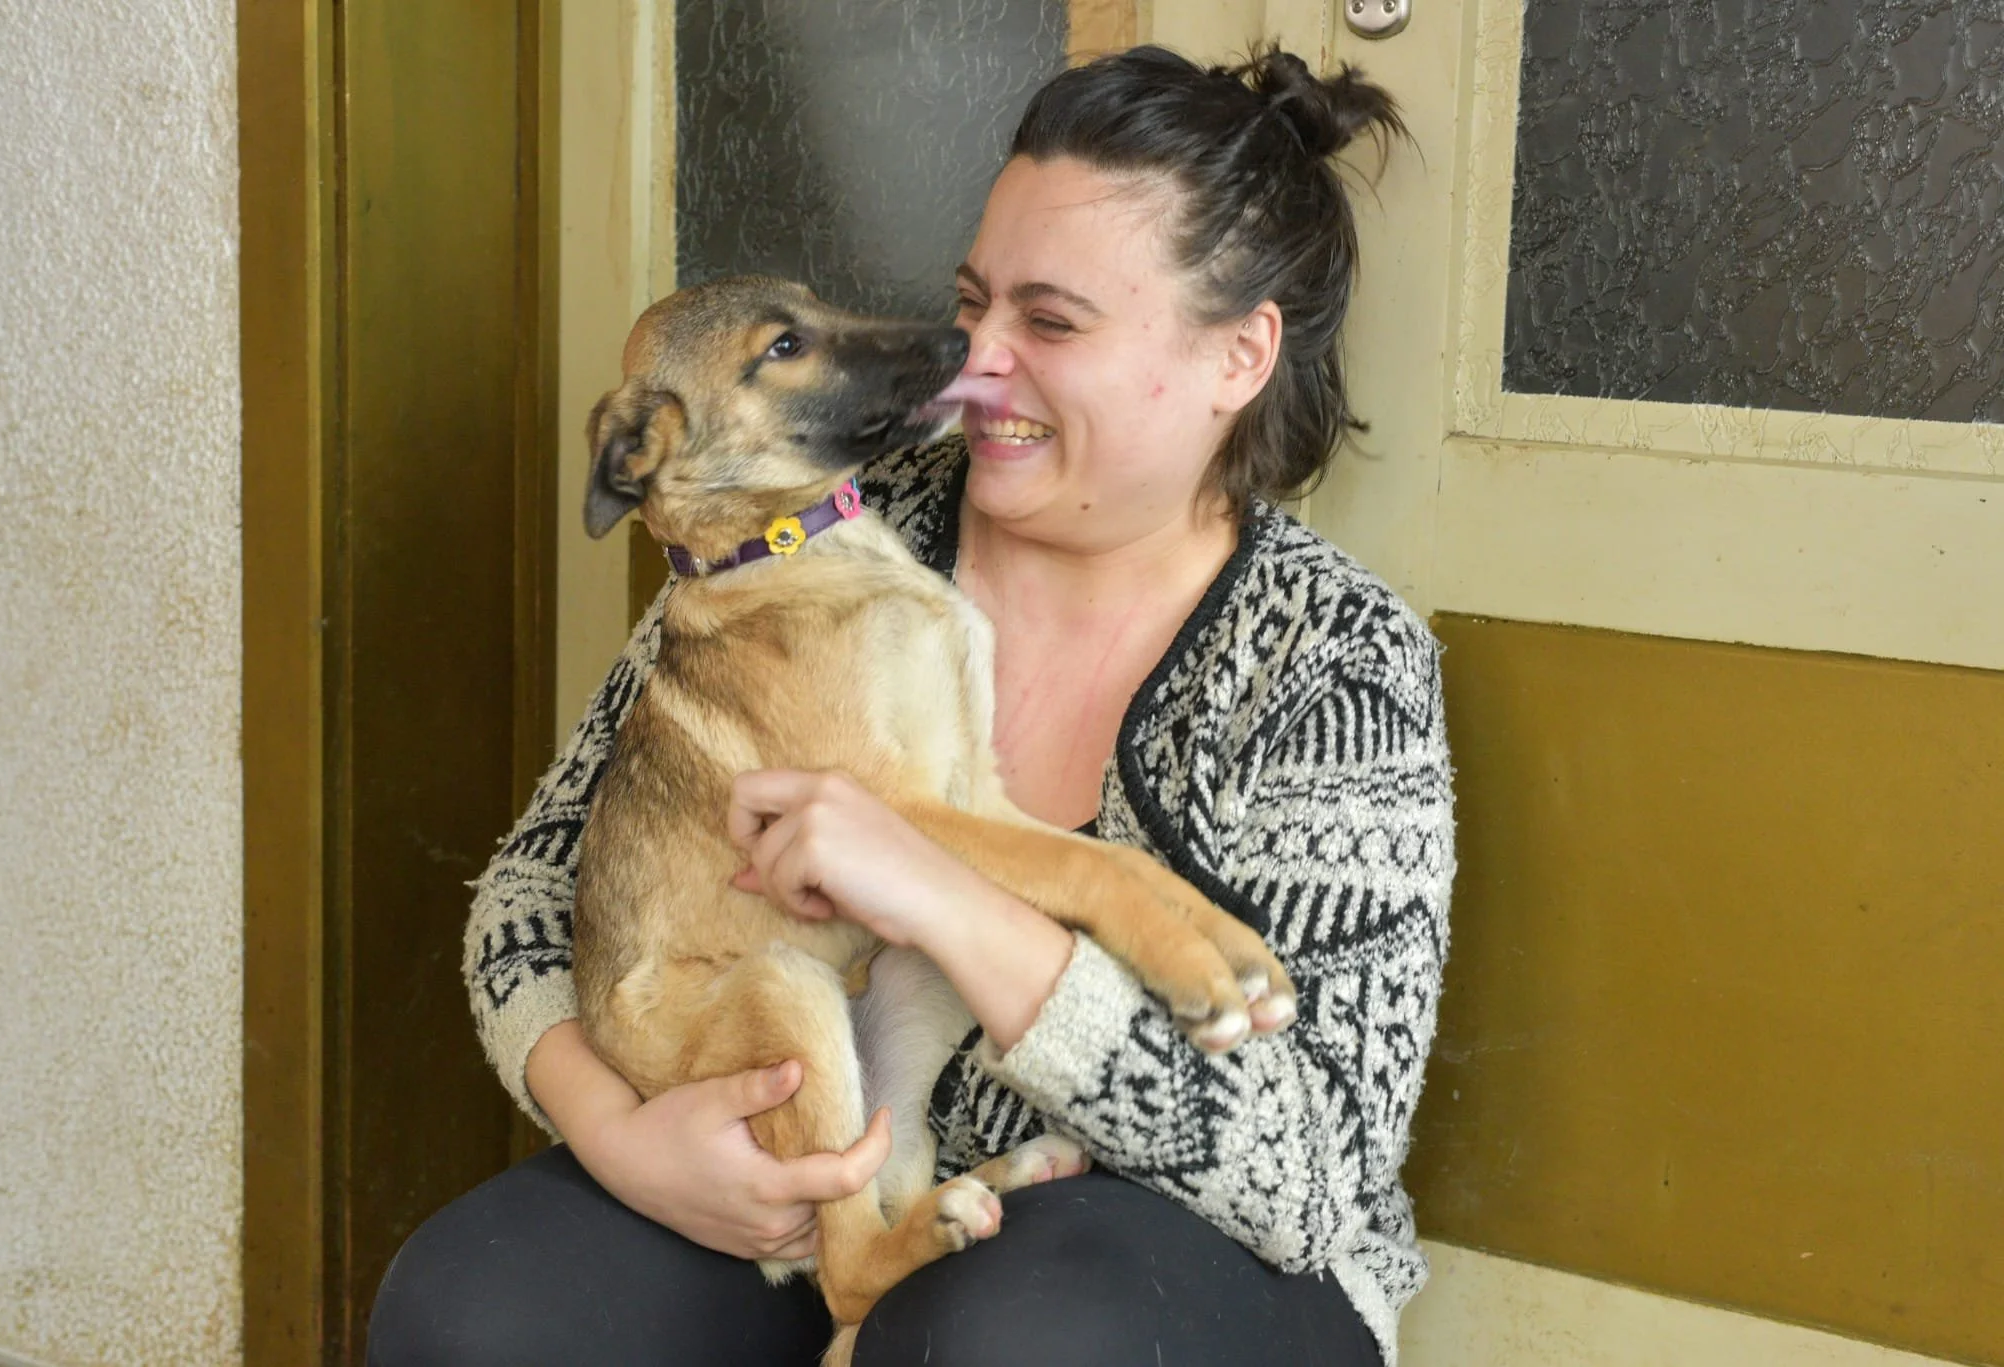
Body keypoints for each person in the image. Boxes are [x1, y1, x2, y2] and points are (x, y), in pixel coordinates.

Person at [369, 42, 1453, 1367]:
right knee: (477, 1309)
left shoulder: (1336, 659)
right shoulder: (811, 535)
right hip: (829, 1182)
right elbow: (534, 892)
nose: (974, 361)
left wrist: (942, 893)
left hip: (1179, 1262)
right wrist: (619, 1133)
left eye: (1050, 325)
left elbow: (1308, 1174)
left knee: (996, 1343)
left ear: (1240, 356)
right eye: (974, 300)